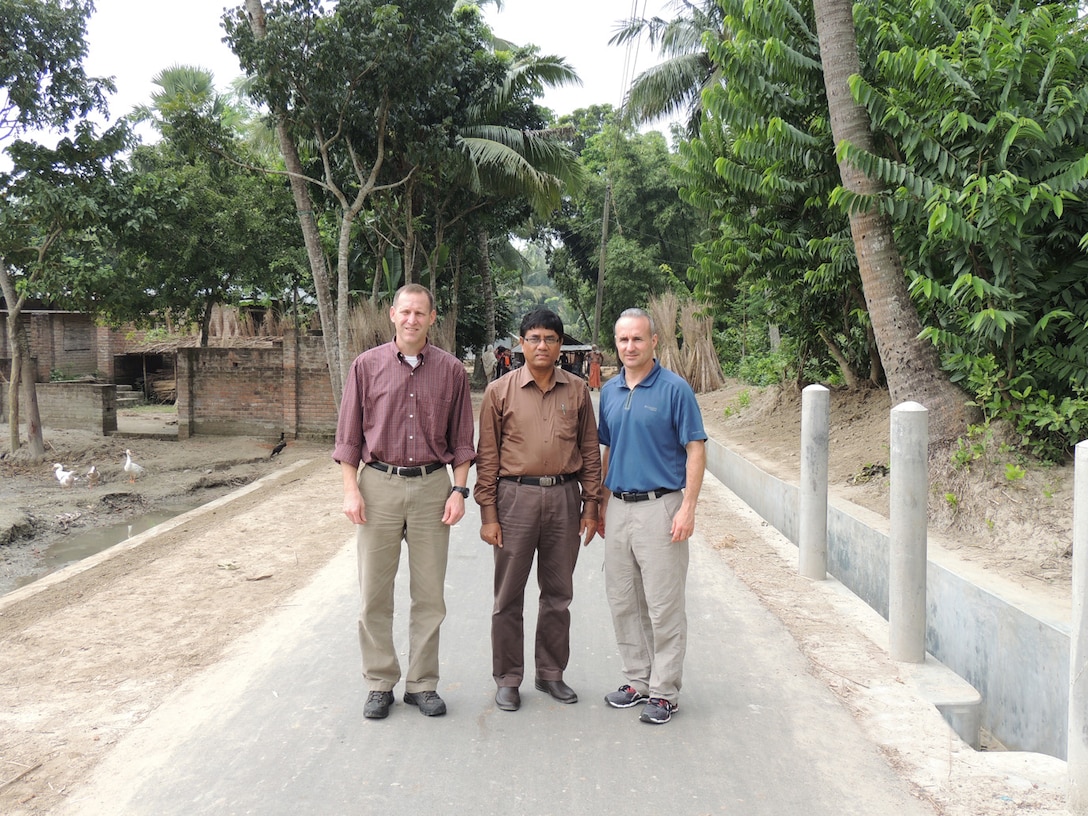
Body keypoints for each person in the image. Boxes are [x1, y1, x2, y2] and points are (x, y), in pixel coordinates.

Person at [333, 283, 475, 721]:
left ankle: (422, 683)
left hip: (434, 486)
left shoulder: (452, 371)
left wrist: (459, 489)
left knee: (429, 594)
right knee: (374, 592)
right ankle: (379, 682)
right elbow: (349, 436)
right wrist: (351, 489)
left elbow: (463, 441)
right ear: (392, 314)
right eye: (405, 312)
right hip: (379, 486)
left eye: (421, 313)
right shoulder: (366, 366)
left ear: (433, 318)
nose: (412, 320)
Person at [475, 308, 602, 712]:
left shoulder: (578, 391)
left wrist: (591, 505)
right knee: (508, 595)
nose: (542, 345)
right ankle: (508, 678)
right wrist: (489, 514)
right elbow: (488, 457)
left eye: (549, 338)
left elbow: (588, 451)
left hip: (565, 499)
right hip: (515, 499)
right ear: (521, 342)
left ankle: (551, 674)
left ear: (560, 345)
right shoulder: (500, 392)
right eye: (534, 338)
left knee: (558, 594)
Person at [597, 307, 707, 725]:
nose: (630, 346)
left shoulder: (675, 390)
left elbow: (696, 448)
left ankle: (664, 692)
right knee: (624, 600)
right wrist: (603, 505)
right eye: (623, 340)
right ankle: (636, 680)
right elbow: (609, 449)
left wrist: (688, 507)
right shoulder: (609, 391)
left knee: (663, 606)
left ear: (654, 341)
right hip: (620, 506)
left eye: (638, 339)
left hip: (662, 506)